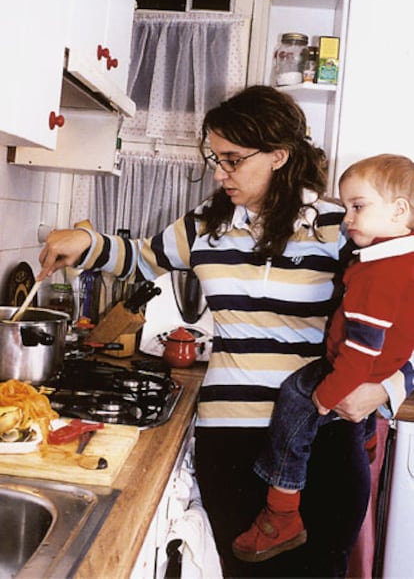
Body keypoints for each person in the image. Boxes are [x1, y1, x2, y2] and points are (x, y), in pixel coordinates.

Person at [38, 86, 413, 578]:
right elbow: (143, 256)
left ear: (279, 155)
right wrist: (86, 242)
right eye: (216, 158)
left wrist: (385, 387)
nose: (219, 172)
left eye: (233, 160)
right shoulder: (203, 227)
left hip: (320, 439)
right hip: (229, 439)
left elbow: (402, 310)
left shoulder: (341, 226)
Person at [231, 153, 414, 564]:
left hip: (347, 382)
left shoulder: (373, 261)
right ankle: (365, 436)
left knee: (298, 398)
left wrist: (345, 394)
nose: (348, 216)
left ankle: (281, 511)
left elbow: (365, 348)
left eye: (358, 206)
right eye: (345, 205)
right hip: (354, 382)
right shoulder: (382, 251)